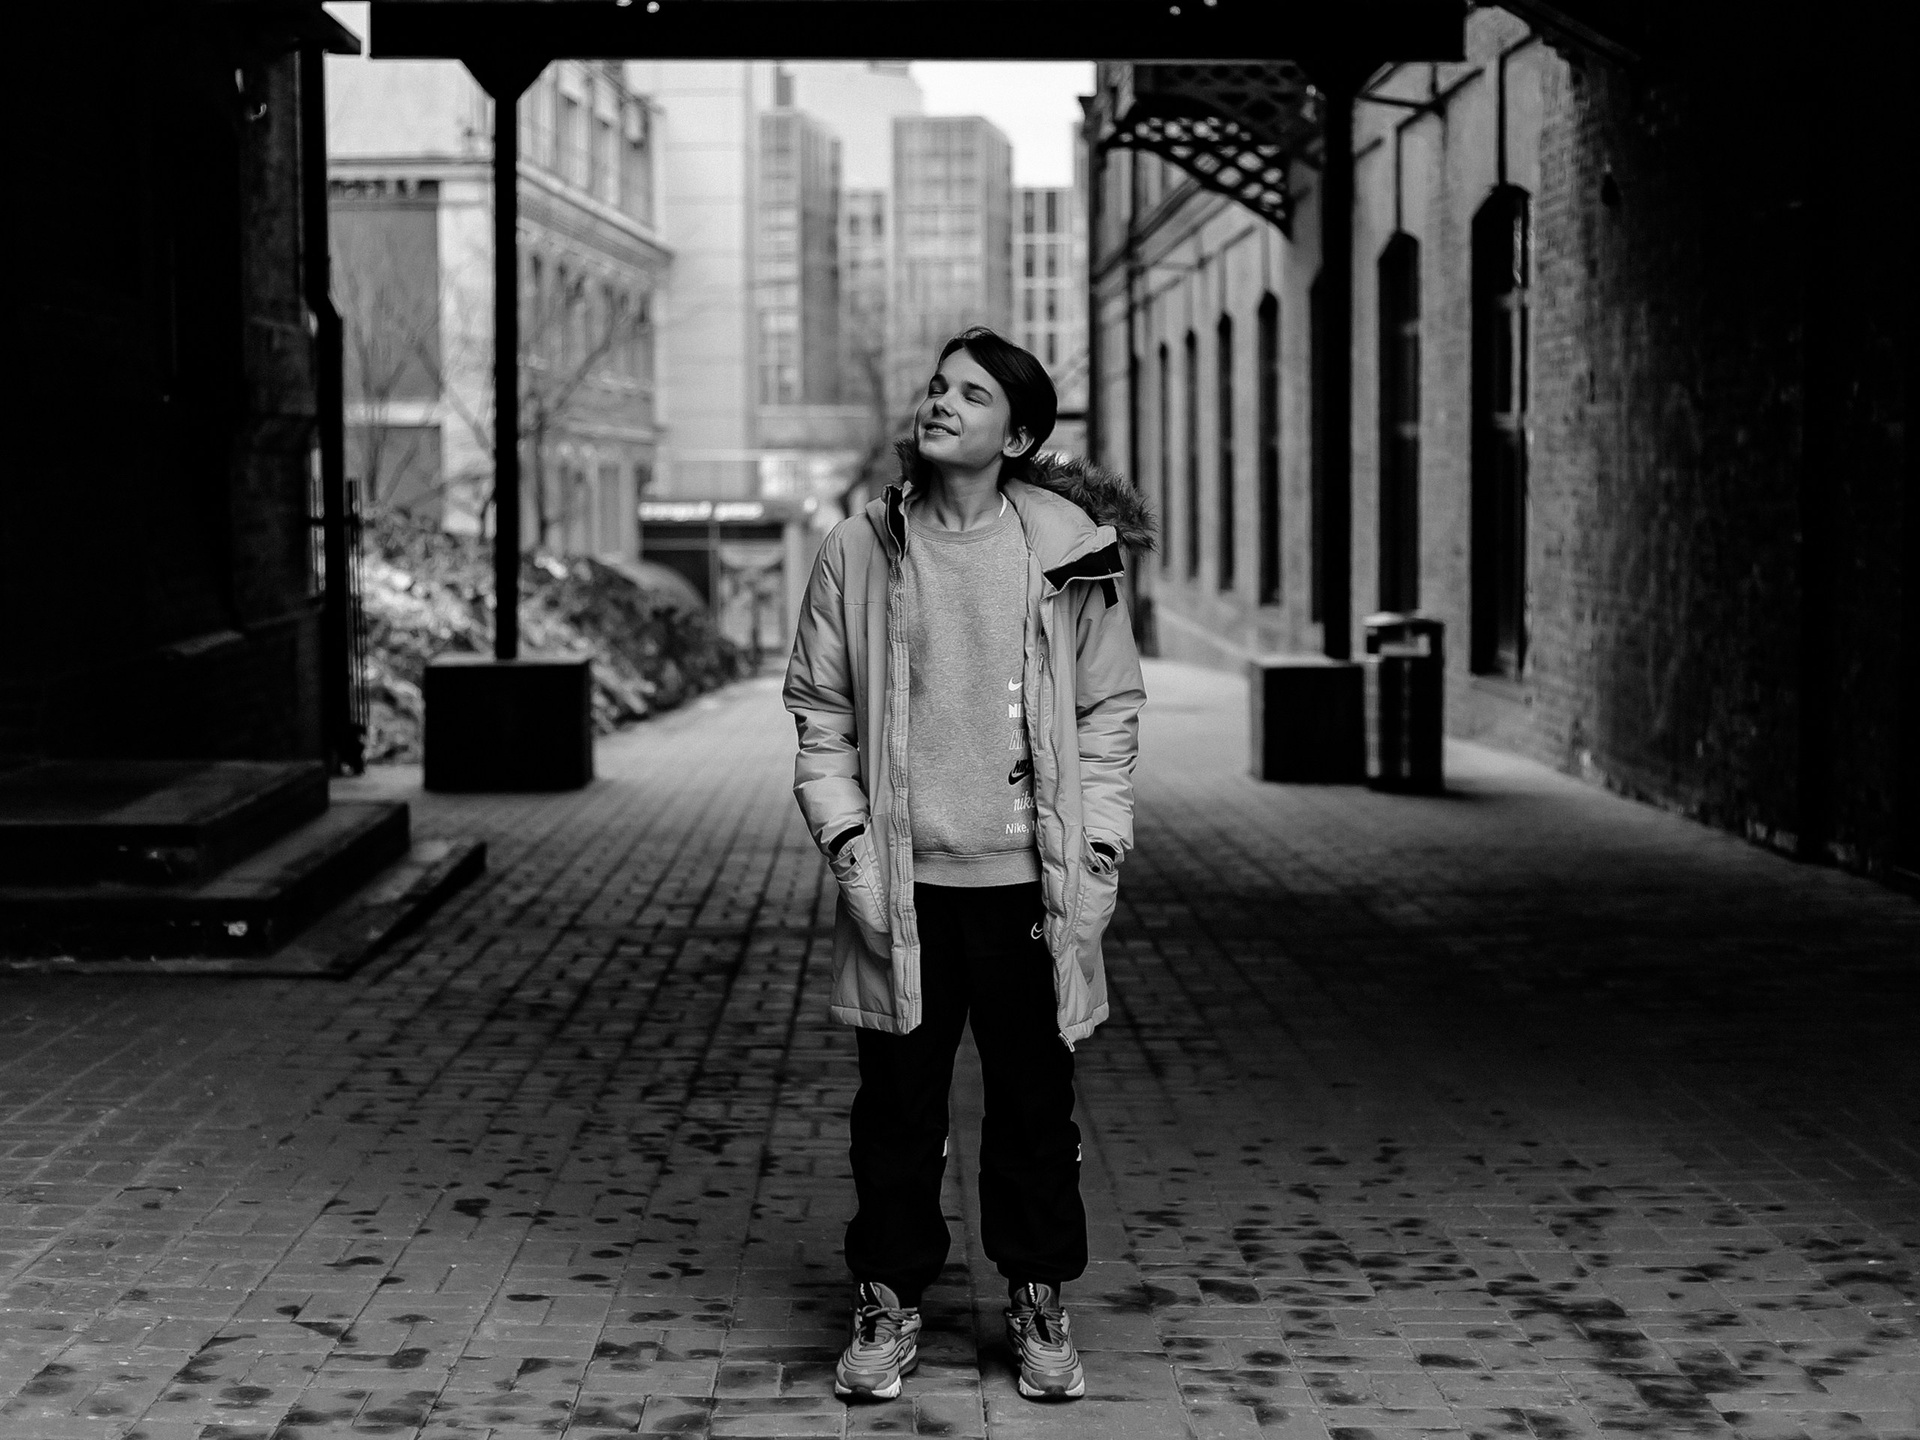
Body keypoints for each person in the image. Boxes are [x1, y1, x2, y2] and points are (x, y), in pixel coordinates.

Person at [783, 327, 1151, 1405]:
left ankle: (1037, 1296)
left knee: (1035, 1107)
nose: (942, 403)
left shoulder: (1071, 554)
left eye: (974, 395)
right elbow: (820, 712)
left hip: (1030, 886)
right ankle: (888, 1299)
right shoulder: (859, 549)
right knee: (897, 1112)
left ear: (1019, 436)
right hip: (900, 886)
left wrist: (1097, 851)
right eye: (940, 386)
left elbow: (1109, 712)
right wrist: (850, 846)